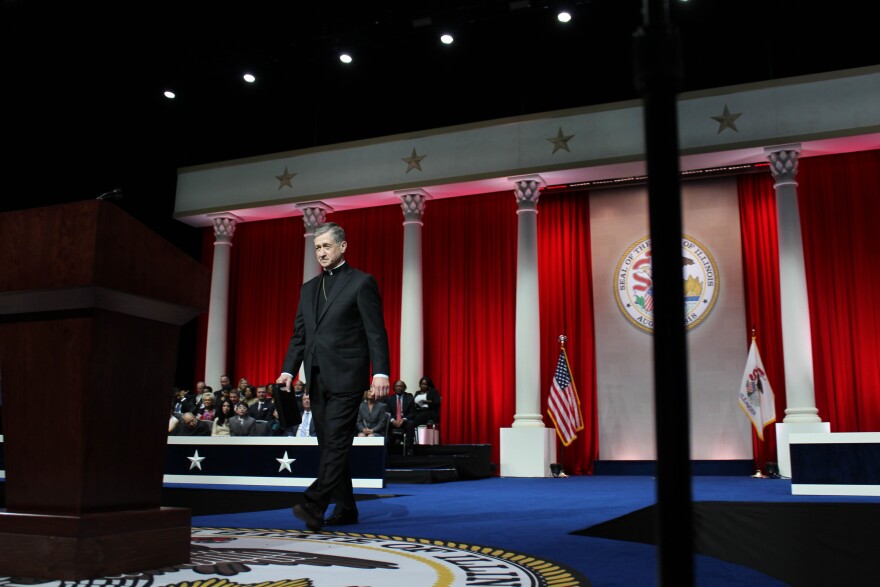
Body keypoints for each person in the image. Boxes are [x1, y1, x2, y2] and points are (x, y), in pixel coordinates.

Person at [277, 222, 390, 530]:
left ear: (343, 247)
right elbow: (300, 334)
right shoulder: (308, 287)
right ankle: (347, 508)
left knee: (338, 442)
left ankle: (314, 503)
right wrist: (289, 369)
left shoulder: (362, 282)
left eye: (327, 246)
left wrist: (380, 371)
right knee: (329, 446)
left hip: (348, 375)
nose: (322, 252)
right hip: (316, 377)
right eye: (317, 248)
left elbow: (375, 331)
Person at [385, 380, 416, 449]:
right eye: (397, 386)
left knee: (410, 423)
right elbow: (387, 412)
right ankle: (387, 446)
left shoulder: (409, 398)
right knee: (385, 422)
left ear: (404, 388)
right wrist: (392, 420)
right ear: (394, 388)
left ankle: (409, 448)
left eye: (400, 386)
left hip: (405, 420)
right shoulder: (389, 399)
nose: (398, 388)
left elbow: (412, 413)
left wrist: (404, 419)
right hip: (393, 420)